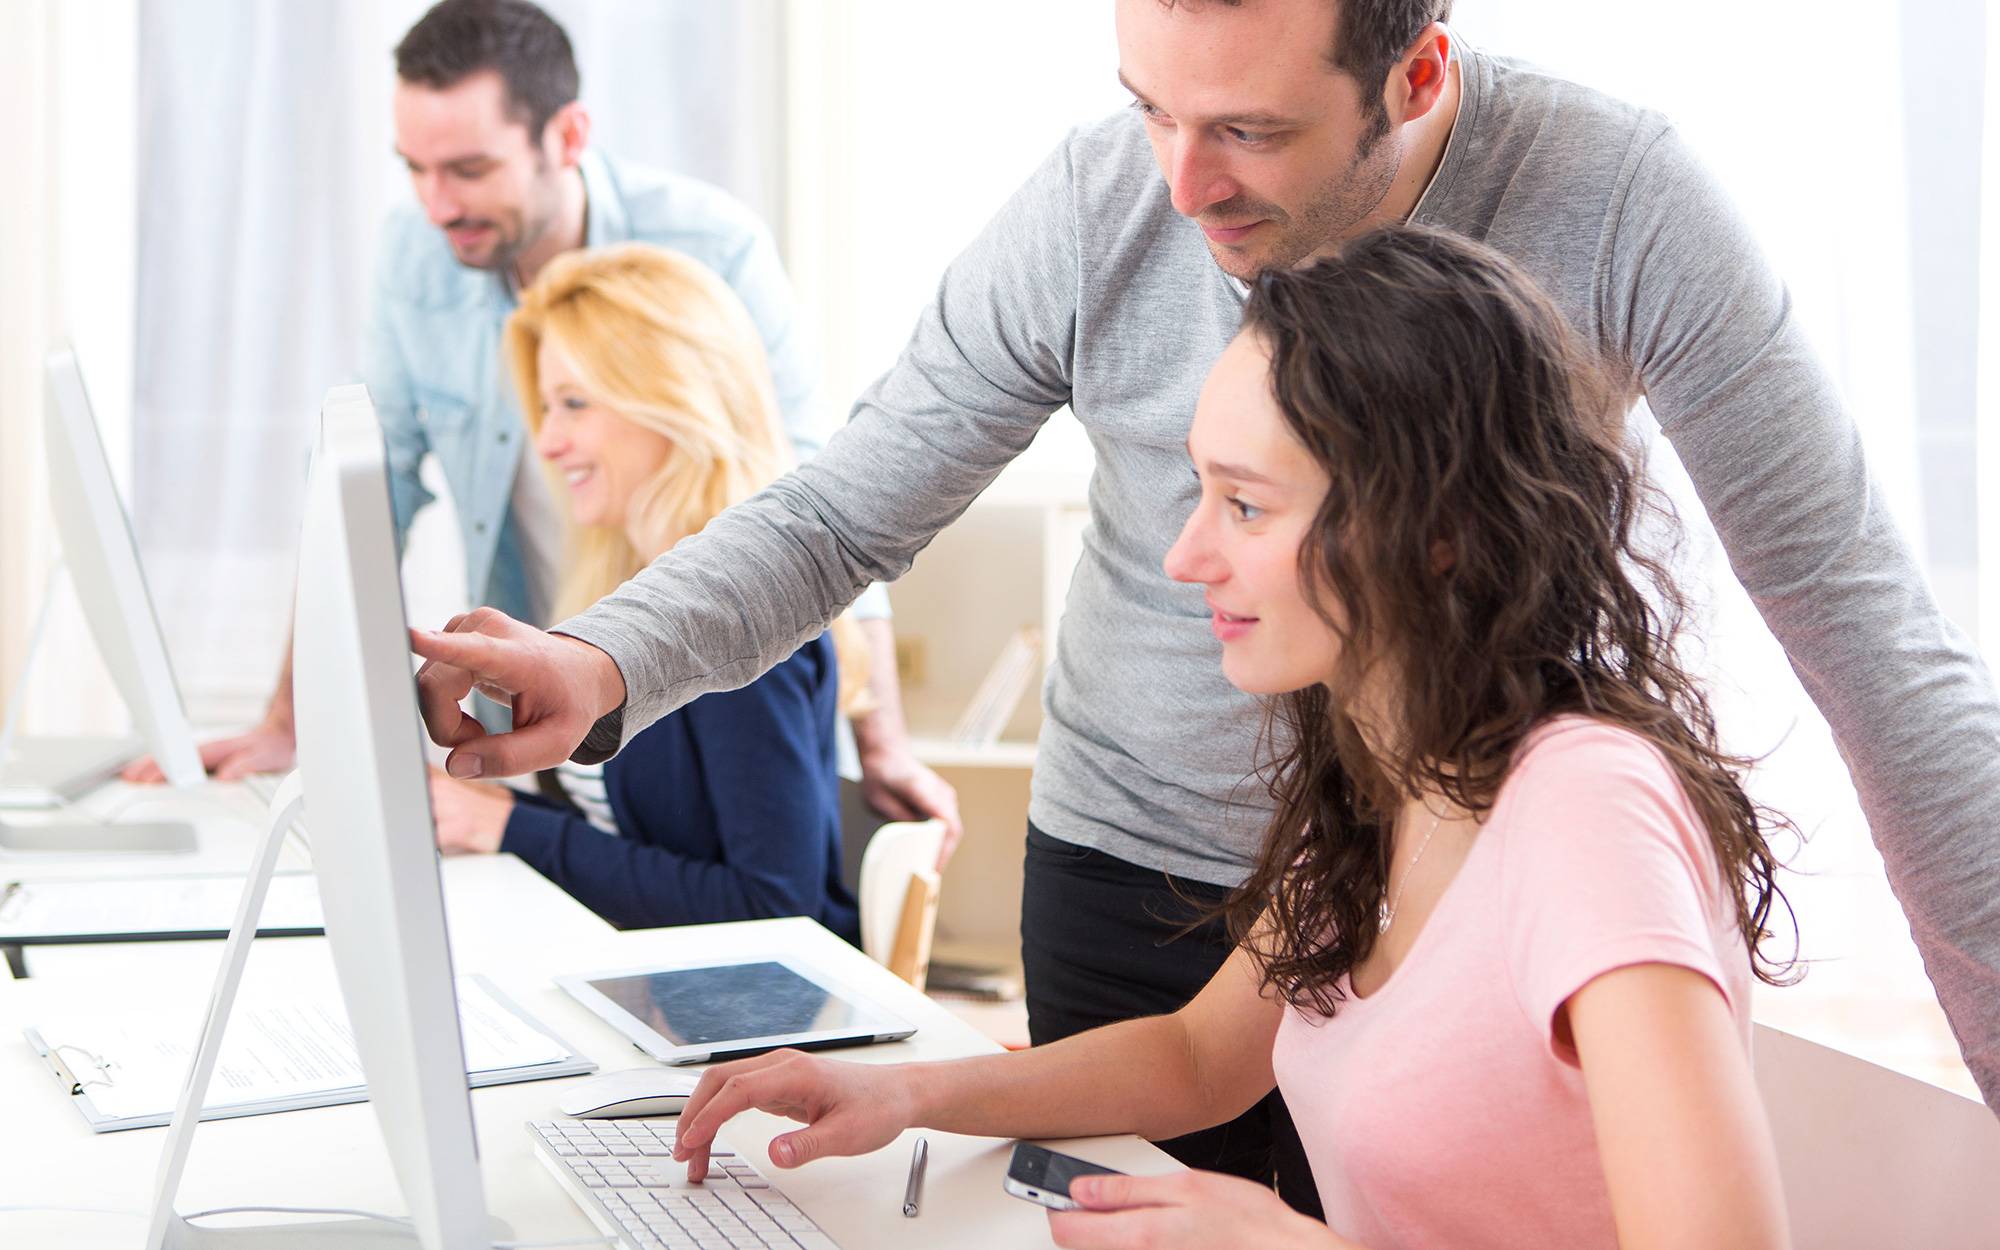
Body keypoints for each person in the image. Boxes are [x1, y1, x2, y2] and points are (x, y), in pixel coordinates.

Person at [410, 0, 2000, 1187]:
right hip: (1198, 877)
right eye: (1148, 109)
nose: (1177, 185)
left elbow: (1876, 648)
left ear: (1417, 76)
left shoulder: (1623, 202)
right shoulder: (1103, 200)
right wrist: (604, 659)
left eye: (1249, 130)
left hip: (1457, 888)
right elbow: (844, 509)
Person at [664, 226, 1794, 1250]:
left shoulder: (1584, 806)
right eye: (1198, 492)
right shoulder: (1391, 778)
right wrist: (908, 1092)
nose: (1185, 556)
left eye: (1246, 506)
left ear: (1434, 532)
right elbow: (1198, 1058)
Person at [125, 0, 963, 861]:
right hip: (563, 711)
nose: (436, 203)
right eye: (415, 169)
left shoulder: (710, 245)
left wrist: (883, 745)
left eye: (469, 169)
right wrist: (287, 722)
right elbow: (366, 494)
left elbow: (817, 503)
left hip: (704, 676)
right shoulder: (417, 252)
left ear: (566, 136)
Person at [424, 243, 860, 941]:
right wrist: (489, 812)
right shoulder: (635, 602)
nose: (548, 441)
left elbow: (774, 907)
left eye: (574, 403)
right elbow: (637, 841)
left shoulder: (738, 623)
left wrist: (508, 828)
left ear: (672, 403)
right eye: (546, 408)